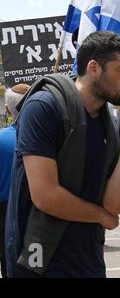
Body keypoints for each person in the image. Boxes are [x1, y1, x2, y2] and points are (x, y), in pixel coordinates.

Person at [5, 31, 120, 278]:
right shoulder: (44, 107)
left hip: (88, 261)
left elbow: (115, 204)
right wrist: (100, 215)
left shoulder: (111, 124)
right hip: (39, 262)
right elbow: (46, 196)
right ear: (93, 67)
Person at [0, 84, 30, 278]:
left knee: (8, 263)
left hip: (4, 212)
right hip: (34, 209)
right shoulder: (49, 136)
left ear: (9, 108)